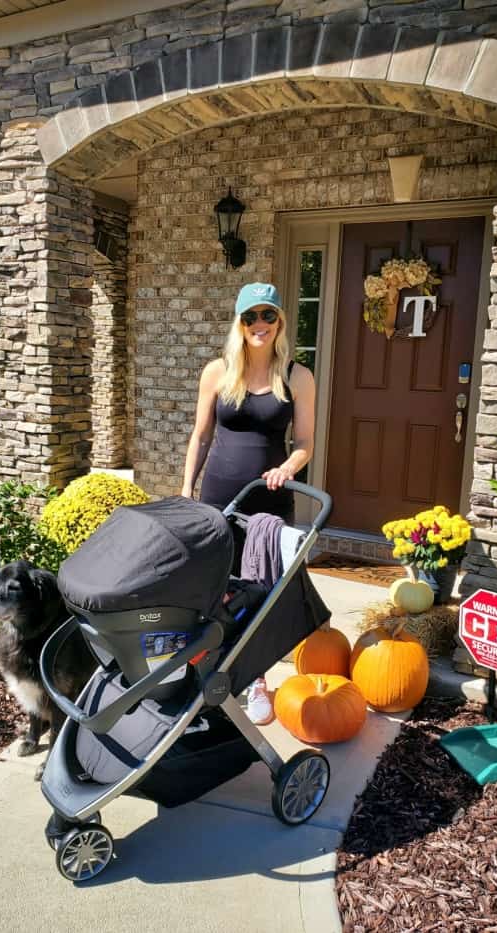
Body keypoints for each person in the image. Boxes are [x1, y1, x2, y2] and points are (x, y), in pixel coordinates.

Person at [181, 282, 315, 724]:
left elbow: (305, 443)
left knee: (260, 589)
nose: (260, 324)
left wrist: (289, 468)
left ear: (280, 322)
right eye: (250, 316)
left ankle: (255, 679)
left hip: (269, 501)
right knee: (218, 584)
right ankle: (212, 668)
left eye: (268, 315)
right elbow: (200, 437)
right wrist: (186, 493)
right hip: (217, 496)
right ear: (239, 324)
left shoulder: (298, 376)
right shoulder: (216, 372)